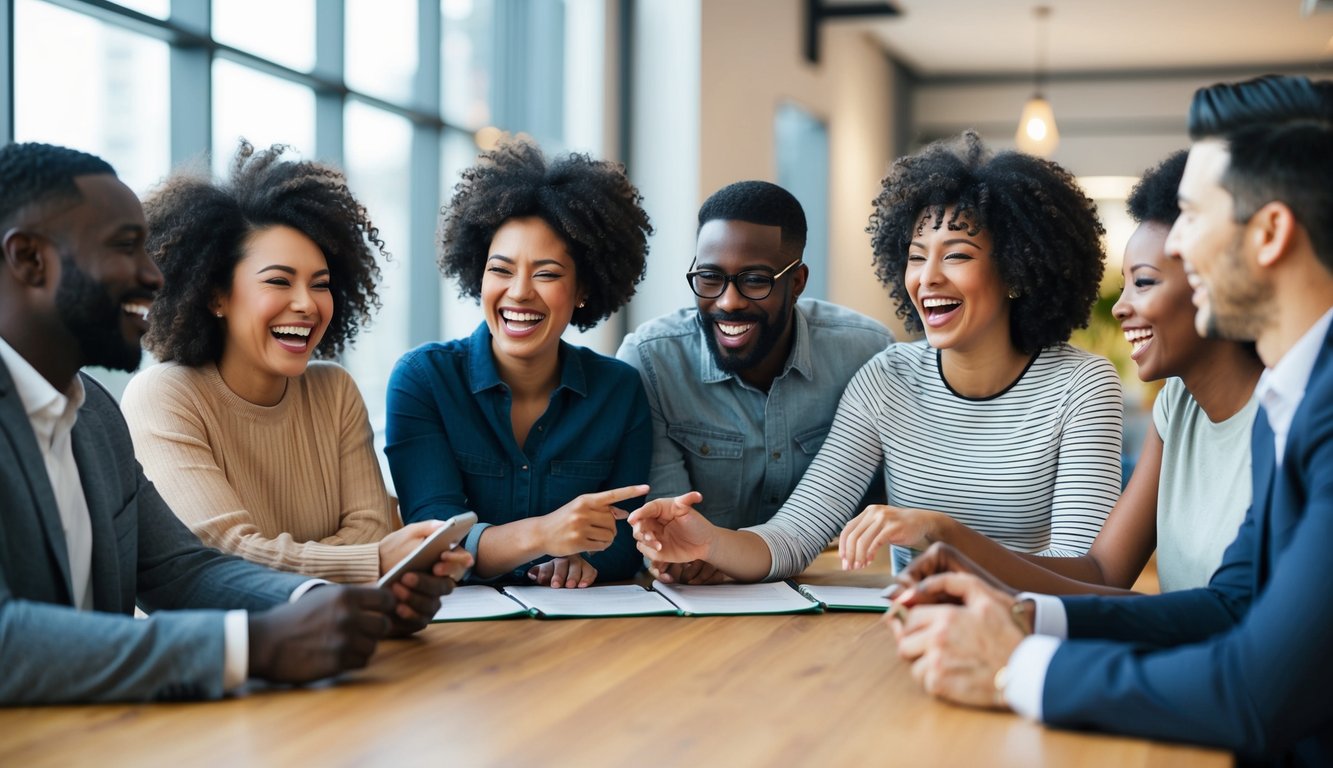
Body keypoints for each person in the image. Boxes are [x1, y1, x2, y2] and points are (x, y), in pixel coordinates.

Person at [889, 75, 1333, 766]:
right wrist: (1022, 615)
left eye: (1191, 214)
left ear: (1271, 231)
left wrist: (1014, 668)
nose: (1179, 244)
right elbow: (1228, 604)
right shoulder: (1294, 397)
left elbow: (1252, 695)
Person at [0, 142, 463, 704]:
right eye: (125, 247)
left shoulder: (93, 414)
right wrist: (251, 644)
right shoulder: (148, 399)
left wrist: (321, 604)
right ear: (28, 259)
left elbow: (181, 571)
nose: (153, 276)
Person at [631, 131, 1123, 583]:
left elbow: (1080, 577)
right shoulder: (887, 378)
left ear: (1017, 269)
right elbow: (794, 535)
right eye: (915, 255)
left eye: (956, 255)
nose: (927, 278)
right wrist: (711, 542)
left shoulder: (1081, 386)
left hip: (1028, 633)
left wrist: (942, 532)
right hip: (913, 629)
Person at [841, 151, 1263, 594]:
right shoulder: (1177, 407)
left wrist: (948, 538)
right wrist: (946, 540)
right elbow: (1101, 575)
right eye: (916, 256)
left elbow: (1225, 615)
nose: (1119, 308)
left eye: (1143, 282)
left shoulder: (1289, 418)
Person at [120, 141, 460, 584]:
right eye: (279, 281)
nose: (307, 303)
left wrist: (358, 554)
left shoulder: (334, 391)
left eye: (320, 285)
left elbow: (372, 529)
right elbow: (221, 555)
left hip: (331, 631)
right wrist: (367, 561)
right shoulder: (165, 395)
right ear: (215, 294)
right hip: (218, 645)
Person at [386, 139, 653, 589]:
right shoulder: (424, 381)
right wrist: (546, 534)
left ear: (584, 287)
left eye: (546, 273)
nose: (520, 293)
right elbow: (433, 542)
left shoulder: (620, 392)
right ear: (477, 273)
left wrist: (584, 559)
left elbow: (625, 542)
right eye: (501, 269)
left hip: (586, 629)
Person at [616, 180, 893, 585]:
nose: (729, 301)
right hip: (704, 602)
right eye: (710, 277)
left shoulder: (867, 352)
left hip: (832, 583)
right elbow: (671, 536)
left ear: (796, 282)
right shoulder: (652, 361)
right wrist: (680, 555)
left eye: (755, 280)